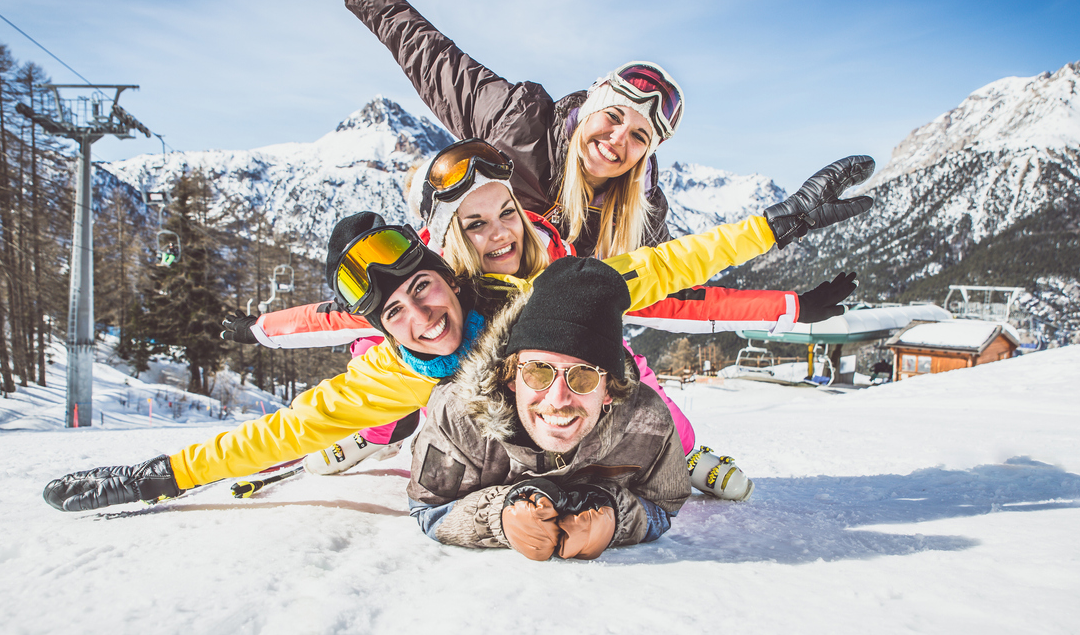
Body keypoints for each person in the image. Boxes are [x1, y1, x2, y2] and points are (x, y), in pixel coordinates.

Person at [44, 158, 868, 514]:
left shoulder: (525, 293)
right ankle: (371, 439)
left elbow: (659, 270)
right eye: (394, 312)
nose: (421, 315)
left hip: (571, 412)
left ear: (445, 271)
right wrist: (157, 475)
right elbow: (274, 431)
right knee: (381, 413)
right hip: (452, 423)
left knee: (632, 388)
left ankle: (685, 456)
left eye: (423, 289)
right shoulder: (388, 369)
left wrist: (782, 222)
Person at [296, 0, 685, 257]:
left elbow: (678, 280)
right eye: (614, 116)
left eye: (639, 136)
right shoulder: (519, 121)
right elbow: (430, 57)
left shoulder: (640, 209)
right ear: (591, 106)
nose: (618, 140)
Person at [409, 257, 688, 560]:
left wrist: (616, 518)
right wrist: (498, 516)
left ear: (608, 388)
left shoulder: (648, 423)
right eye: (538, 371)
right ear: (512, 375)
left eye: (583, 376)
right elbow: (430, 507)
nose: (557, 399)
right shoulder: (458, 417)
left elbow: (663, 505)